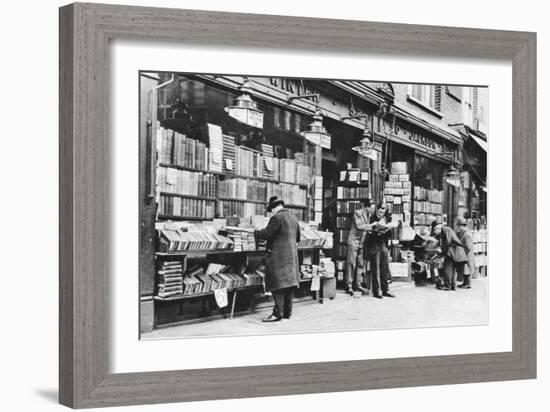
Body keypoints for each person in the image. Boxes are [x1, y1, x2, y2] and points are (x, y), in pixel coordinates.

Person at [255, 196, 301, 322]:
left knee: (277, 285)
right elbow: (298, 238)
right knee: (289, 285)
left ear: (275, 208)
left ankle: (277, 314)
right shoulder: (293, 218)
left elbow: (266, 234)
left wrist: (257, 231)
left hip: (278, 258)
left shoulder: (276, 218)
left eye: (271, 210)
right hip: (291, 258)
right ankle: (287, 313)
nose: (271, 213)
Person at [364, 202, 396, 299]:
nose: (382, 211)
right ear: (377, 208)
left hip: (383, 244)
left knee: (384, 268)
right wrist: (376, 231)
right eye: (381, 208)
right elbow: (368, 232)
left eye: (384, 209)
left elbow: (389, 234)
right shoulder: (372, 218)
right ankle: (376, 291)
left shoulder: (386, 219)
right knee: (376, 268)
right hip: (374, 244)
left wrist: (386, 230)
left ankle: (385, 289)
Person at [345, 199, 374, 295]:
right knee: (351, 263)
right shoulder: (357, 213)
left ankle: (358, 285)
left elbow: (365, 228)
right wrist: (372, 226)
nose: (372, 210)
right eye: (371, 207)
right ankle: (348, 285)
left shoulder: (369, 215)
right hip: (354, 242)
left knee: (360, 264)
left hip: (361, 242)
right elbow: (360, 226)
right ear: (366, 207)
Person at [431, 220, 468, 291]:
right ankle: (453, 286)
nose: (436, 233)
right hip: (455, 252)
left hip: (452, 252)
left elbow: (448, 241)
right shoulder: (446, 230)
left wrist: (440, 249)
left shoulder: (445, 229)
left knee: (446, 269)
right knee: (453, 269)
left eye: (435, 231)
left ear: (438, 228)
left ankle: (448, 286)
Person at [456, 217, 475, 288]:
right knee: (465, 270)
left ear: (462, 226)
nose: (458, 228)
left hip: (467, 255)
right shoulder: (464, 233)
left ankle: (468, 284)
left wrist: (462, 252)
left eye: (459, 226)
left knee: (467, 270)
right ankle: (465, 283)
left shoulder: (467, 234)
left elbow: (468, 246)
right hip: (466, 254)